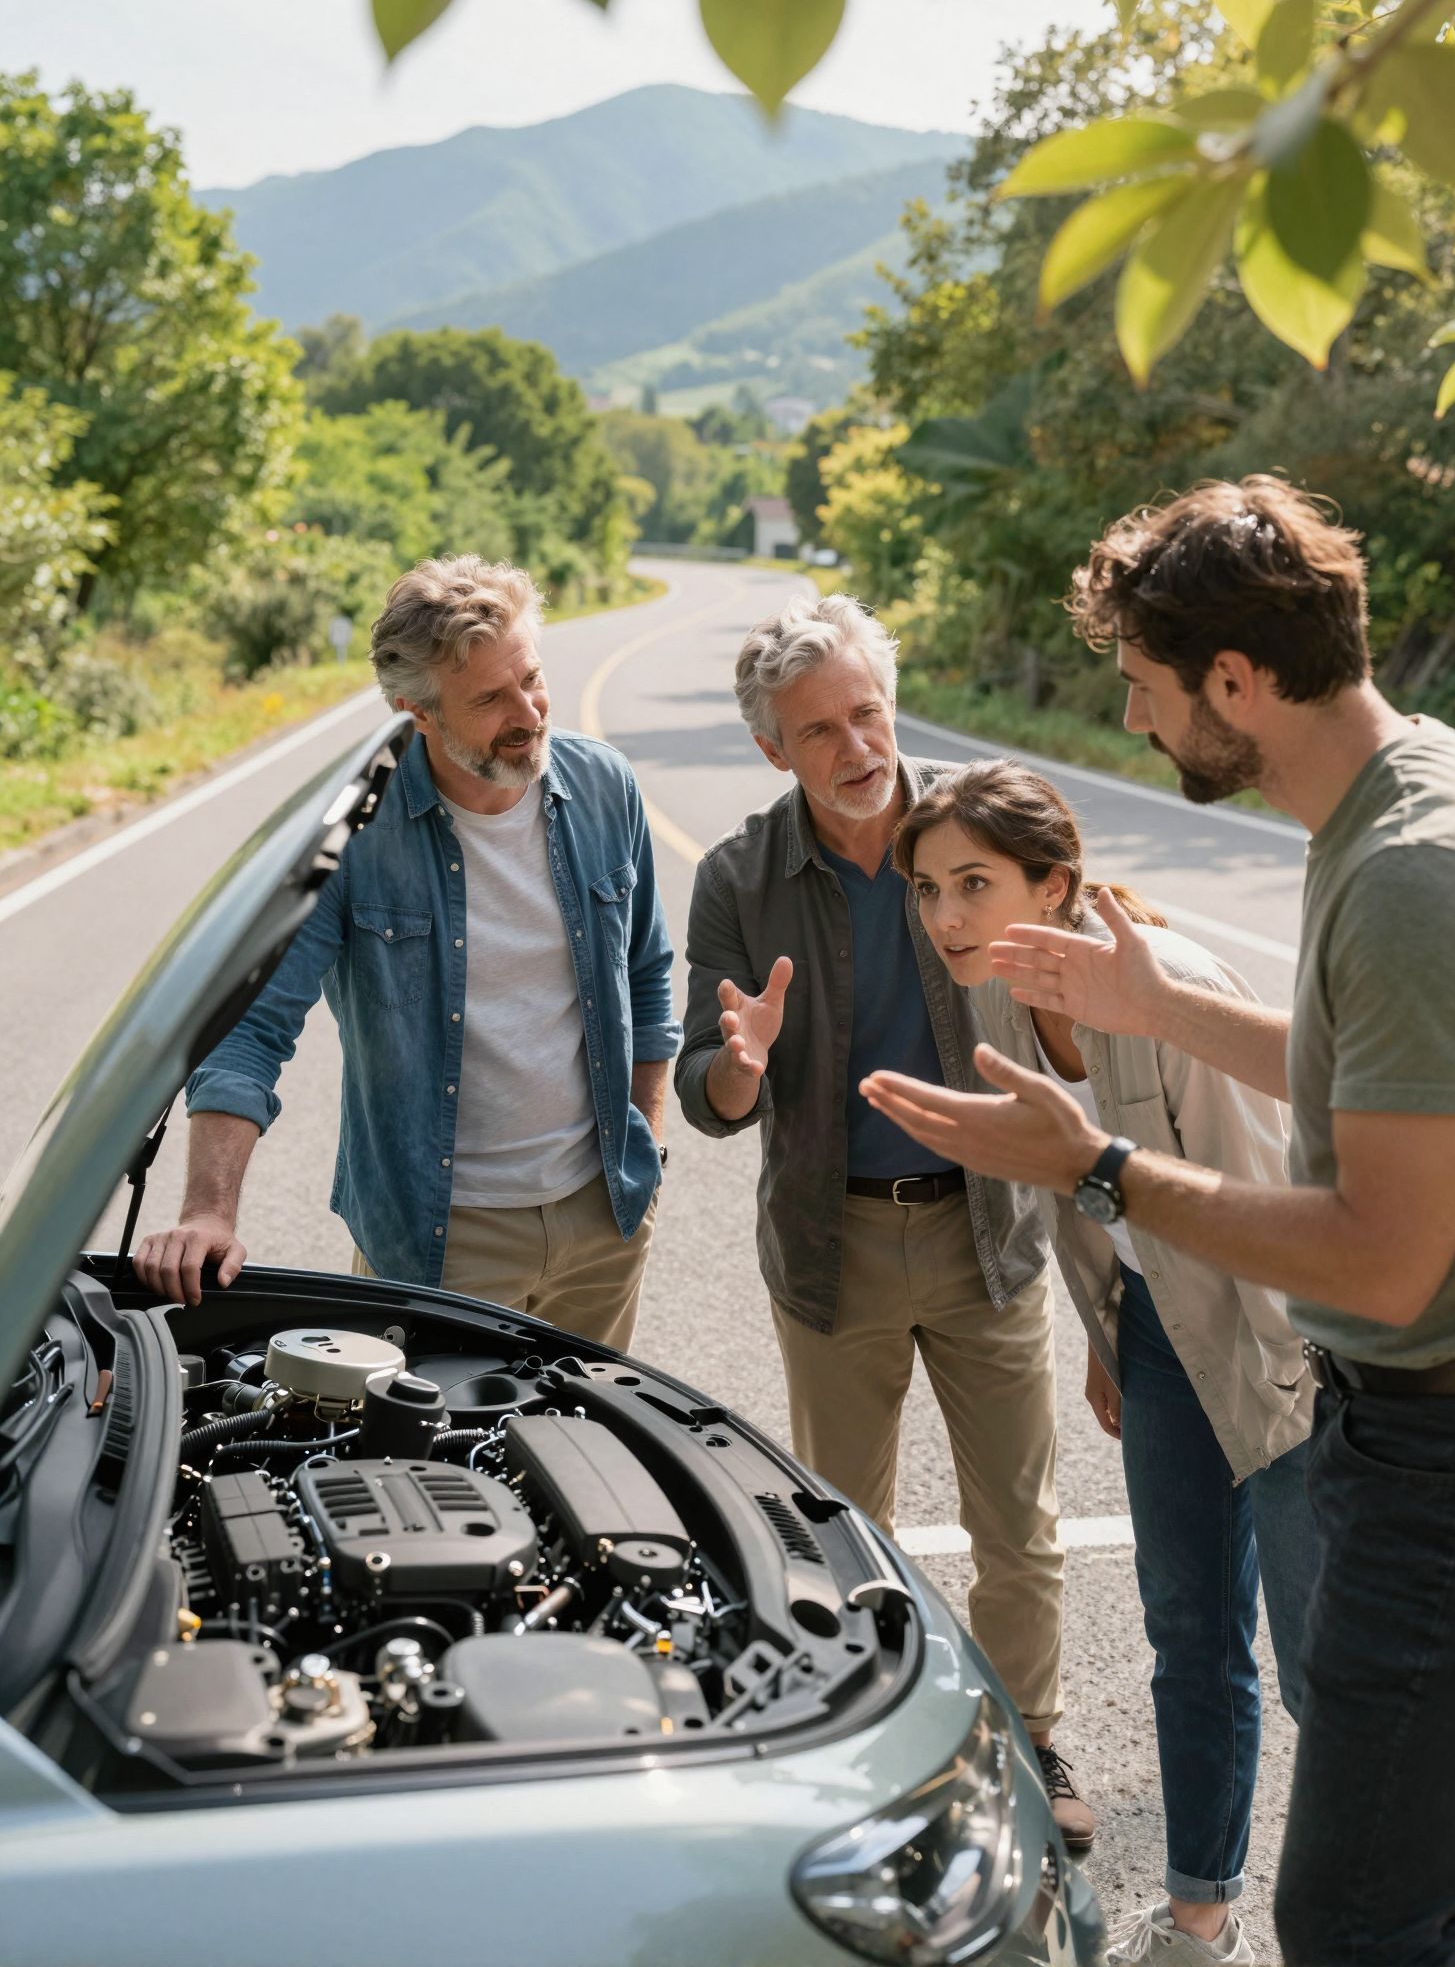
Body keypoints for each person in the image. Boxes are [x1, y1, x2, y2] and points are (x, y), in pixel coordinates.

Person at [860, 476, 1455, 1967]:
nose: (1139, 724)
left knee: (1362, 1920)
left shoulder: (1414, 869)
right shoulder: (1420, 799)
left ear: (1237, 679)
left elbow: (1380, 1244)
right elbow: (1412, 1089)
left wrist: (1098, 1168)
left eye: (1150, 690)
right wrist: (1169, 1015)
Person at [674, 591, 1095, 1849]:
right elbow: (710, 1094)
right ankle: (861, 1743)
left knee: (1018, 1529)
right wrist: (741, 1060)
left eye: (867, 711)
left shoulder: (975, 828)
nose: (857, 747)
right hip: (832, 1246)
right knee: (842, 1526)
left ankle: (1029, 1739)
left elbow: (1077, 1018)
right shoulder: (739, 878)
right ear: (773, 751)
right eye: (818, 731)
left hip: (989, 1233)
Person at [892, 758, 1319, 1966]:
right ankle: (1201, 1918)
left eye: (976, 882)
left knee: (1321, 1674)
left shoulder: (1169, 987)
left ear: (1058, 882)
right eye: (929, 888)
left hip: (1283, 1347)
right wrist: (1109, 1335)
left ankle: (1386, 1927)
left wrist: (1289, 1410)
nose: (949, 916)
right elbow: (1075, 1197)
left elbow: (1265, 1209)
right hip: (1160, 1334)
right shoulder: (999, 994)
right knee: (1188, 1633)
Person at [135, 555, 680, 1349]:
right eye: (490, 699)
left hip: (605, 1224)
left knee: (576, 1461)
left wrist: (646, 1142)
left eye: (531, 677)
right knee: (424, 1473)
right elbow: (252, 1030)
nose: (528, 712)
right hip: (438, 1243)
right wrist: (208, 1210)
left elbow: (647, 972)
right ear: (414, 711)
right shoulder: (355, 834)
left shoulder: (605, 787)